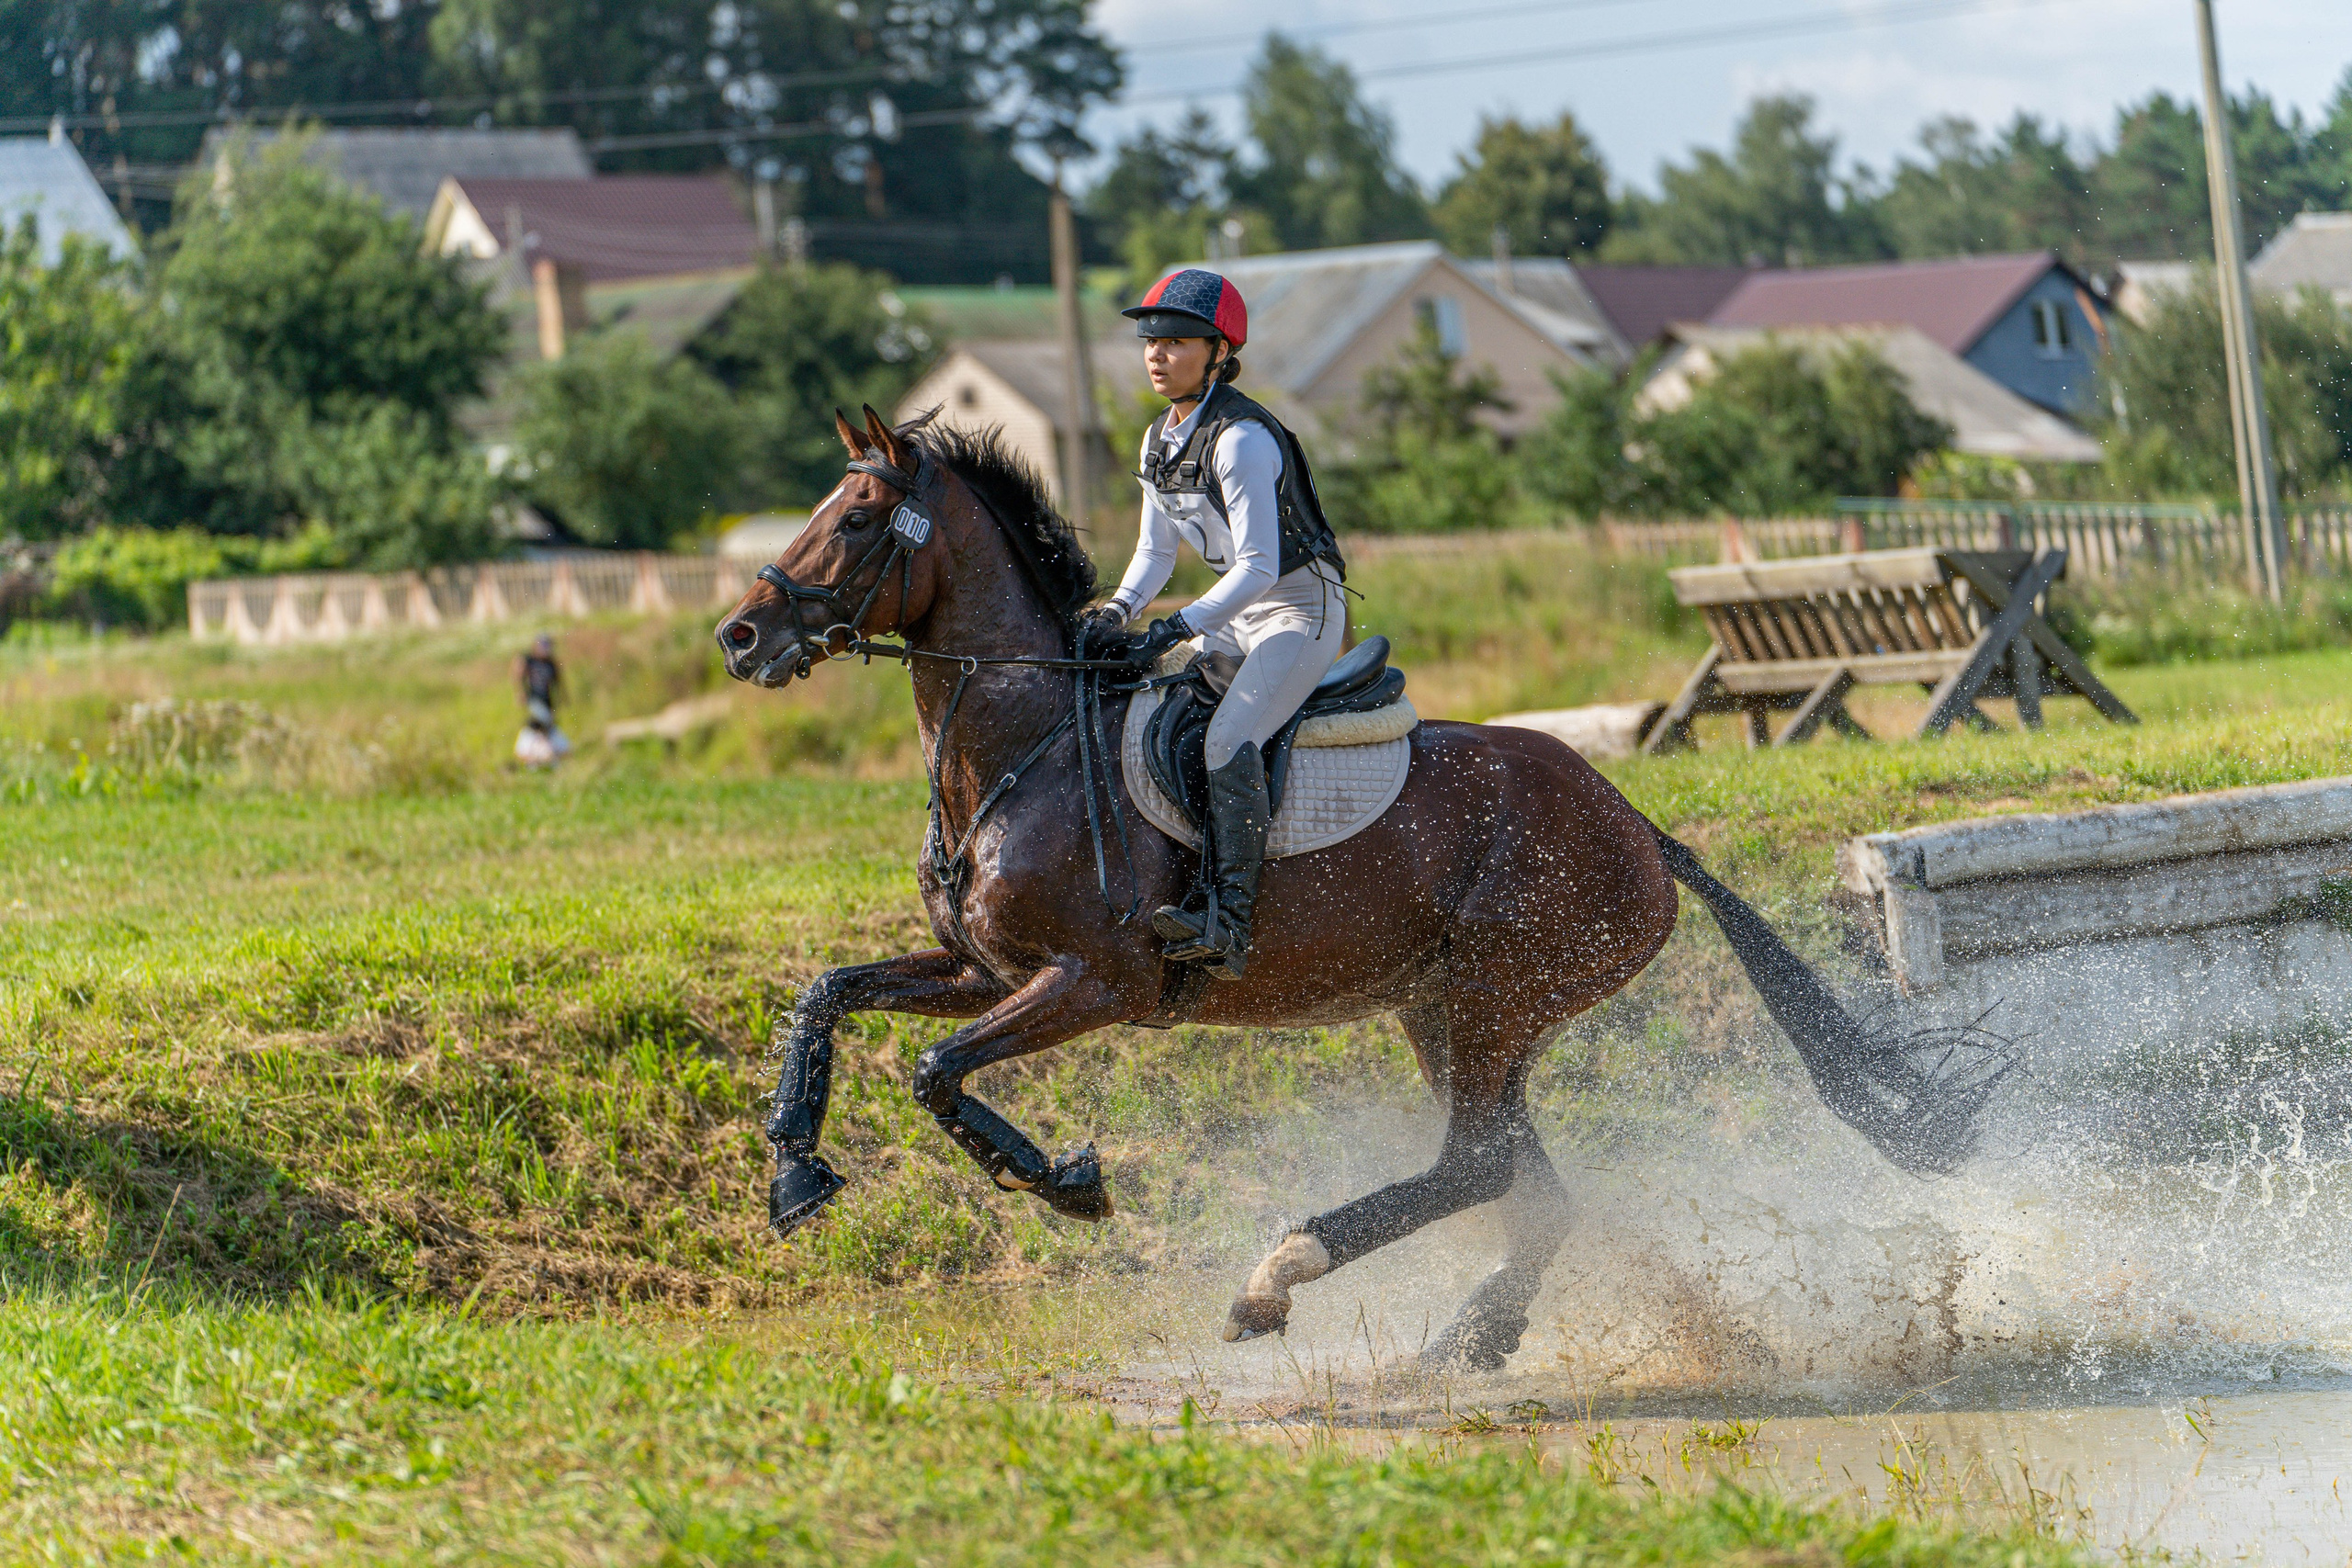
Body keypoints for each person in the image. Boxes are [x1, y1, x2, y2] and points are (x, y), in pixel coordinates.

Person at [1084, 267, 1348, 981]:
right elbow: (1153, 553)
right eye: (1150, 339)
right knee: (1152, 709)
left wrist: (1178, 626)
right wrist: (1117, 610)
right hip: (1237, 613)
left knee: (1230, 737)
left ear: (1219, 352)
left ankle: (1229, 921)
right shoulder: (1158, 439)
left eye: (1175, 340)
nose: (1156, 352)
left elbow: (1260, 566)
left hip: (1299, 609)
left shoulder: (1241, 439)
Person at [514, 633, 572, 767]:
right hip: (534, 699)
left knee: (546, 725)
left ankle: (545, 755)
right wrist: (520, 692)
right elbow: (517, 673)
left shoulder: (551, 663)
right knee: (542, 722)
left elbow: (559, 681)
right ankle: (544, 755)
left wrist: (564, 696)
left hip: (548, 701)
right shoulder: (529, 659)